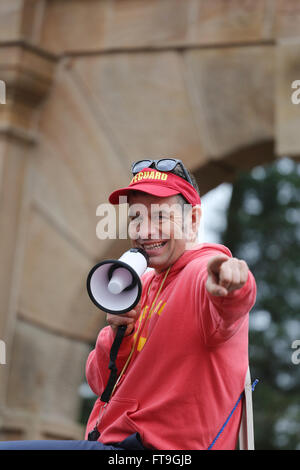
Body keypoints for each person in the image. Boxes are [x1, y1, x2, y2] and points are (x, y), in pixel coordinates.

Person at [0, 158, 256, 450]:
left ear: (193, 220)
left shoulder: (203, 271)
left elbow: (232, 302)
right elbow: (98, 382)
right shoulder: (143, 283)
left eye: (160, 216)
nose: (144, 231)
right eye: (135, 217)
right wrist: (117, 331)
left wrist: (231, 286)